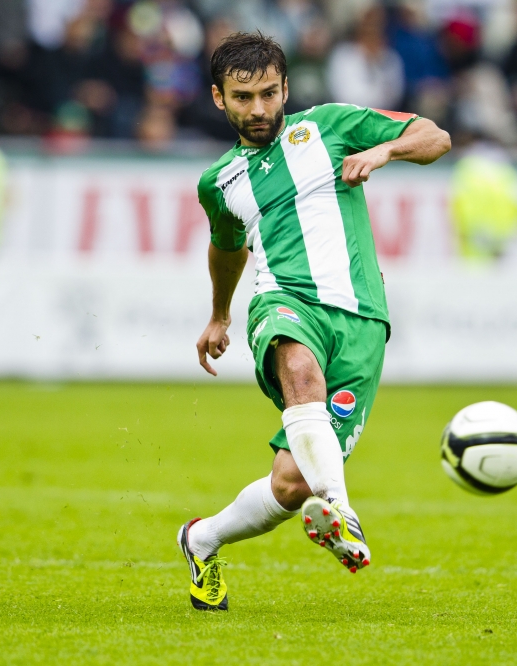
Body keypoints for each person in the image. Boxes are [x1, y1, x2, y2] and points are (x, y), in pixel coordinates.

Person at [178, 31, 450, 611]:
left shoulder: (329, 125)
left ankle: (201, 539)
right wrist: (220, 314)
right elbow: (227, 247)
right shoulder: (218, 182)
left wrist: (386, 151)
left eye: (269, 94)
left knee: (290, 483)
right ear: (218, 97)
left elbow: (435, 136)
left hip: (362, 319)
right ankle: (341, 510)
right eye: (243, 97)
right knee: (298, 367)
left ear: (285, 88)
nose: (258, 109)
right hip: (284, 301)